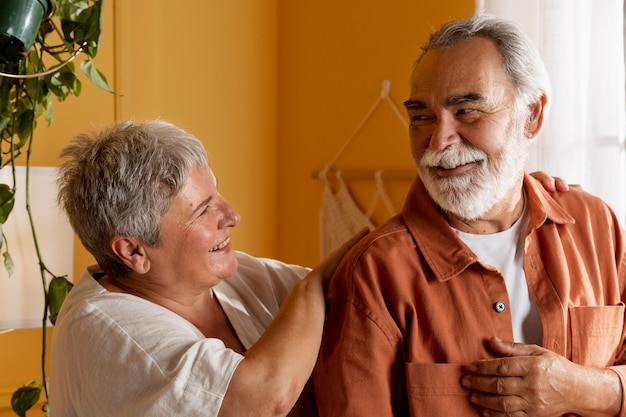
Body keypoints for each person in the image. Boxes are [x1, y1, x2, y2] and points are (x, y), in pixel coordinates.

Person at [313, 14, 626, 417]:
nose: (438, 141)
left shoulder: (597, 226)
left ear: (532, 116)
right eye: (422, 117)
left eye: (467, 112)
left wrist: (582, 388)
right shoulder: (373, 275)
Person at [48, 119, 366, 417]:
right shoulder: (108, 334)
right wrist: (312, 285)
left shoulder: (230, 278)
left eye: (217, 194)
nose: (232, 215)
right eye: (203, 210)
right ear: (133, 251)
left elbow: (359, 287)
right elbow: (264, 400)